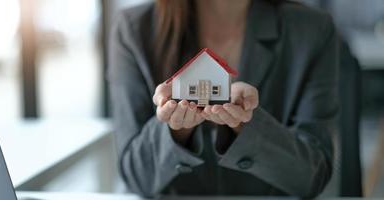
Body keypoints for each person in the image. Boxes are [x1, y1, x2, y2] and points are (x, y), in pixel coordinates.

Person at [108, 0, 339, 198]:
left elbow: (312, 177)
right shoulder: (134, 31)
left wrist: (246, 126)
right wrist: (176, 132)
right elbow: (137, 178)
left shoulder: (311, 31)